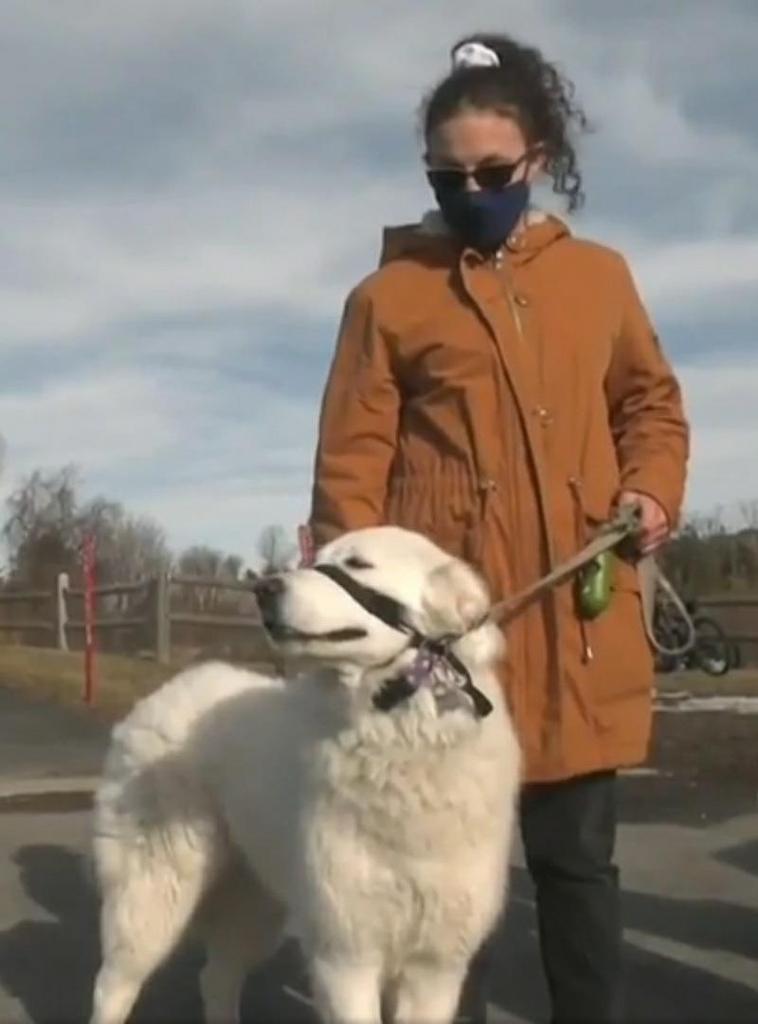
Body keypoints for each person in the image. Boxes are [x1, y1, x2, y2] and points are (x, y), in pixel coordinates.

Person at [307, 30, 689, 1024]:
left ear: (539, 162)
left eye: (491, 171)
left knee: (574, 870)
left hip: (576, 626)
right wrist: (361, 628)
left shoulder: (597, 278)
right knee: (445, 892)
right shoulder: (385, 300)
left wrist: (648, 488)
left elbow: (648, 406)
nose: (469, 190)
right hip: (446, 651)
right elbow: (350, 475)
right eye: (447, 176)